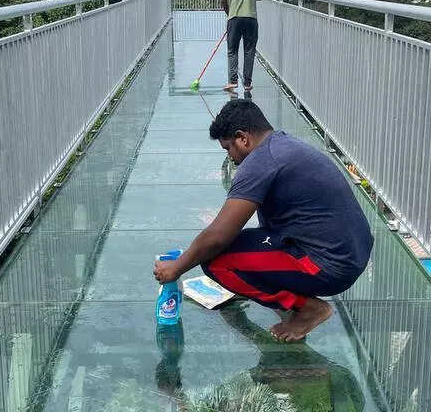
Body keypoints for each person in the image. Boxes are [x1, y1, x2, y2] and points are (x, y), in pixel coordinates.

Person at [153, 100, 374, 341]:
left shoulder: (261, 162)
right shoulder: (282, 145)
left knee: (215, 261)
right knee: (243, 245)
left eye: (228, 149)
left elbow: (218, 236)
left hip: (330, 265)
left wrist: (176, 268)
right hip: (350, 252)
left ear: (242, 138)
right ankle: (285, 295)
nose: (231, 158)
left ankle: (310, 310)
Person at [219, 0, 267, 95]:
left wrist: (229, 12)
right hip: (251, 19)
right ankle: (247, 84)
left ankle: (233, 82)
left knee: (232, 50)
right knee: (249, 51)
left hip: (234, 18)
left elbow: (223, 0)